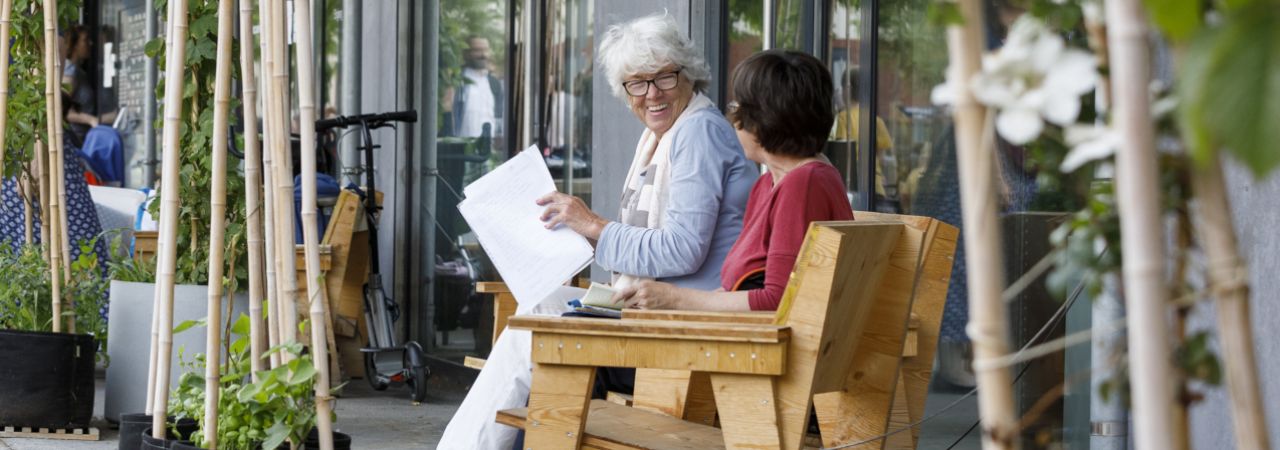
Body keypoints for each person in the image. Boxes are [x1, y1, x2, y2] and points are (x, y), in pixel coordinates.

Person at [438, 13, 755, 450]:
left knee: (535, 329)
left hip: (684, 329)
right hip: (661, 313)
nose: (651, 95)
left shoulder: (697, 133)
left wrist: (594, 225)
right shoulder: (670, 133)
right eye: (636, 84)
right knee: (537, 313)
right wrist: (583, 232)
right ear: (623, 91)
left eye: (663, 77)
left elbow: (683, 250)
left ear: (687, 73)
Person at [612, 50, 854, 312]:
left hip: (769, 347)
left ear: (766, 119)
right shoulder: (771, 183)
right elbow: (740, 289)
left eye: (737, 106)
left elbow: (780, 300)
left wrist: (676, 298)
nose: (732, 117)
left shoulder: (803, 185)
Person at [831, 67, 894, 198]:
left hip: (854, 186)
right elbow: (881, 158)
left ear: (847, 89)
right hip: (875, 186)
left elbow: (841, 153)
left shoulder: (843, 118)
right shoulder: (876, 120)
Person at [445, 35, 505, 139]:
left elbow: (499, 116)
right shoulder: (458, 80)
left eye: (486, 50)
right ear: (466, 54)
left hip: (488, 147)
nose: (483, 55)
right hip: (462, 146)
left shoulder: (494, 83)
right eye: (477, 50)